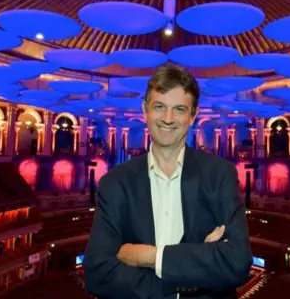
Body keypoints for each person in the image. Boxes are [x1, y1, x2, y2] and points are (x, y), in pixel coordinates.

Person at [83, 65, 253, 299]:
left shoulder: (220, 175)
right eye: (159, 107)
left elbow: (237, 263)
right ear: (145, 111)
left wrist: (151, 258)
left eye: (179, 109)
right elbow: (97, 273)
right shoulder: (115, 183)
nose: (168, 119)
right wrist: (190, 272)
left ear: (193, 116)